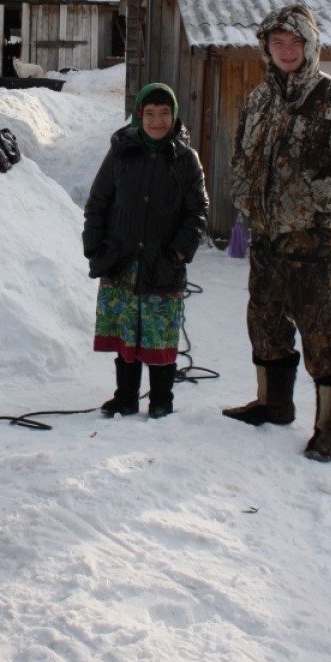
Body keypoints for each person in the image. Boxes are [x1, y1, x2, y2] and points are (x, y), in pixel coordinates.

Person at [223, 3, 331, 462]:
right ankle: (273, 403)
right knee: (265, 319)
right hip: (265, 231)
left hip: (309, 234)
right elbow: (242, 156)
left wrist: (310, 199)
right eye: (278, 43)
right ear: (267, 49)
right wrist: (245, 196)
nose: (287, 50)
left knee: (318, 325)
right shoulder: (260, 99)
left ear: (310, 45)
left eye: (295, 42)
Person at [83, 83, 208, 419]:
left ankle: (161, 399)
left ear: (174, 115)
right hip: (122, 260)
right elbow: (98, 201)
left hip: (162, 262)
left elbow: (198, 212)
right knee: (127, 332)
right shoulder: (121, 152)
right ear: (139, 115)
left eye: (164, 113)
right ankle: (125, 397)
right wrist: (94, 245)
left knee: (159, 333)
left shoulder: (185, 159)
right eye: (149, 113)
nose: (157, 120)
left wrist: (178, 253)